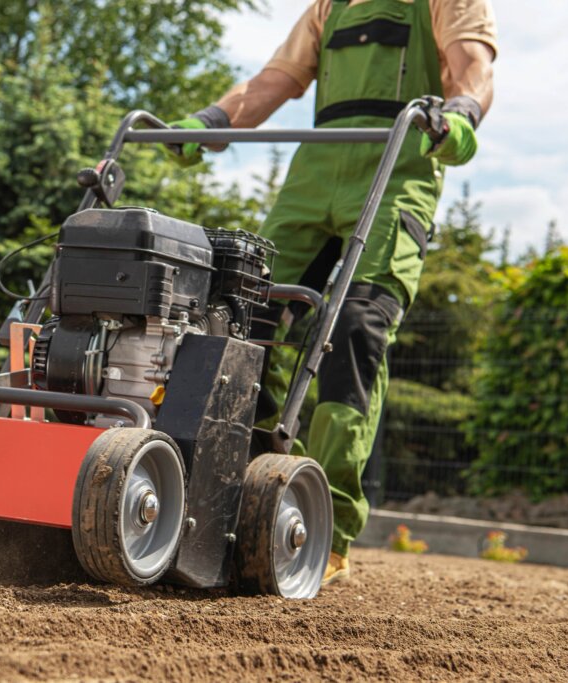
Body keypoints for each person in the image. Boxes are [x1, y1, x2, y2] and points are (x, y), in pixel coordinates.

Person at [167, 0, 496, 584]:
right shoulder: (329, 8)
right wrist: (212, 120)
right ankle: (227, 489)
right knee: (242, 312)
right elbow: (275, 81)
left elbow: (472, 65)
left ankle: (328, 520)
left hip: (400, 166)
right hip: (315, 172)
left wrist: (462, 112)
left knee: (357, 325)